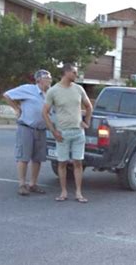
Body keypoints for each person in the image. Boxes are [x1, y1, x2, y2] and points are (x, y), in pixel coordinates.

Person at [42, 64, 93, 203]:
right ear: (66, 72)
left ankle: (78, 192)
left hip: (78, 132)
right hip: (62, 133)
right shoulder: (53, 91)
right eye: (74, 72)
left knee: (78, 162)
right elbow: (45, 112)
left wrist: (86, 122)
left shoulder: (78, 89)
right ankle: (63, 191)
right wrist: (53, 131)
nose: (76, 75)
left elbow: (89, 106)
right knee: (62, 163)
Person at [3, 70, 52, 196]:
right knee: (23, 157)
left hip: (41, 129)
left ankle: (33, 184)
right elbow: (7, 95)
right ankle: (22, 184)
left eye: (50, 77)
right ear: (38, 80)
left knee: (38, 158)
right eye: (47, 77)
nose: (49, 79)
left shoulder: (50, 94)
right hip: (26, 127)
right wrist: (16, 108)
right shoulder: (28, 89)